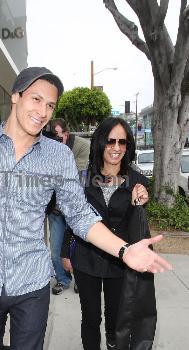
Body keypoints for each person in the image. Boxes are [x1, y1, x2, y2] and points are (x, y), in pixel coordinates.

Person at [0, 67, 171, 350]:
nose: (43, 111)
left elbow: (80, 215)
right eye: (36, 99)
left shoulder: (58, 156)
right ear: (15, 97)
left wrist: (124, 249)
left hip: (32, 285)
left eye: (50, 105)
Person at [70, 117, 149, 350]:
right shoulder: (82, 179)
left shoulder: (137, 181)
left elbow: (138, 218)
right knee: (91, 318)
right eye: (110, 141)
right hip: (86, 259)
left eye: (122, 142)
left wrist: (141, 201)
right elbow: (72, 219)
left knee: (116, 317)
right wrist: (66, 252)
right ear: (100, 143)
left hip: (120, 261)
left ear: (128, 146)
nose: (116, 147)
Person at [47, 118, 90, 295]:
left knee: (78, 248)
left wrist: (59, 153)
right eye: (52, 136)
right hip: (56, 210)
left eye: (59, 135)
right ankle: (63, 279)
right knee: (56, 249)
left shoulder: (81, 146)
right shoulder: (44, 148)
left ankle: (81, 280)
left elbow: (77, 177)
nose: (56, 140)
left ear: (66, 133)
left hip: (75, 210)